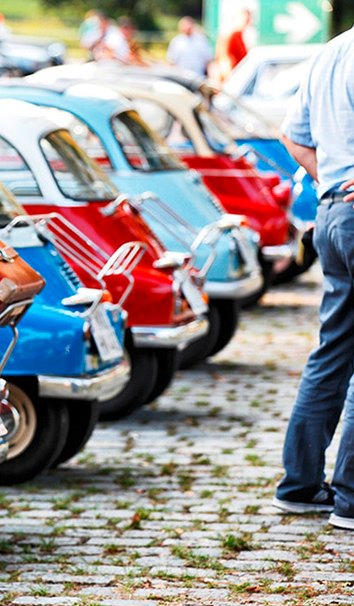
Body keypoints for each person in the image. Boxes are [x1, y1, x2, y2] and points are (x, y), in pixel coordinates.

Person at [272, 26, 354, 530]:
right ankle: (351, 499)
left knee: (334, 350)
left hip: (330, 214)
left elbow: (292, 137)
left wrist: (335, 179)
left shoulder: (334, 49)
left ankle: (300, 486)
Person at [214, 8, 251, 83]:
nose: (247, 22)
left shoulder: (239, 36)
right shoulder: (229, 35)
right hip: (232, 83)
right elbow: (224, 61)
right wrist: (231, 82)